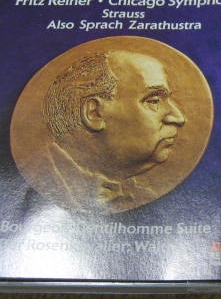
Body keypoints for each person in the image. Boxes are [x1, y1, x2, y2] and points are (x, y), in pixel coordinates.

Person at [37, 49, 186, 212]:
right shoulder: (35, 182)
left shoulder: (142, 194)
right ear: (94, 113)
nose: (178, 118)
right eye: (154, 100)